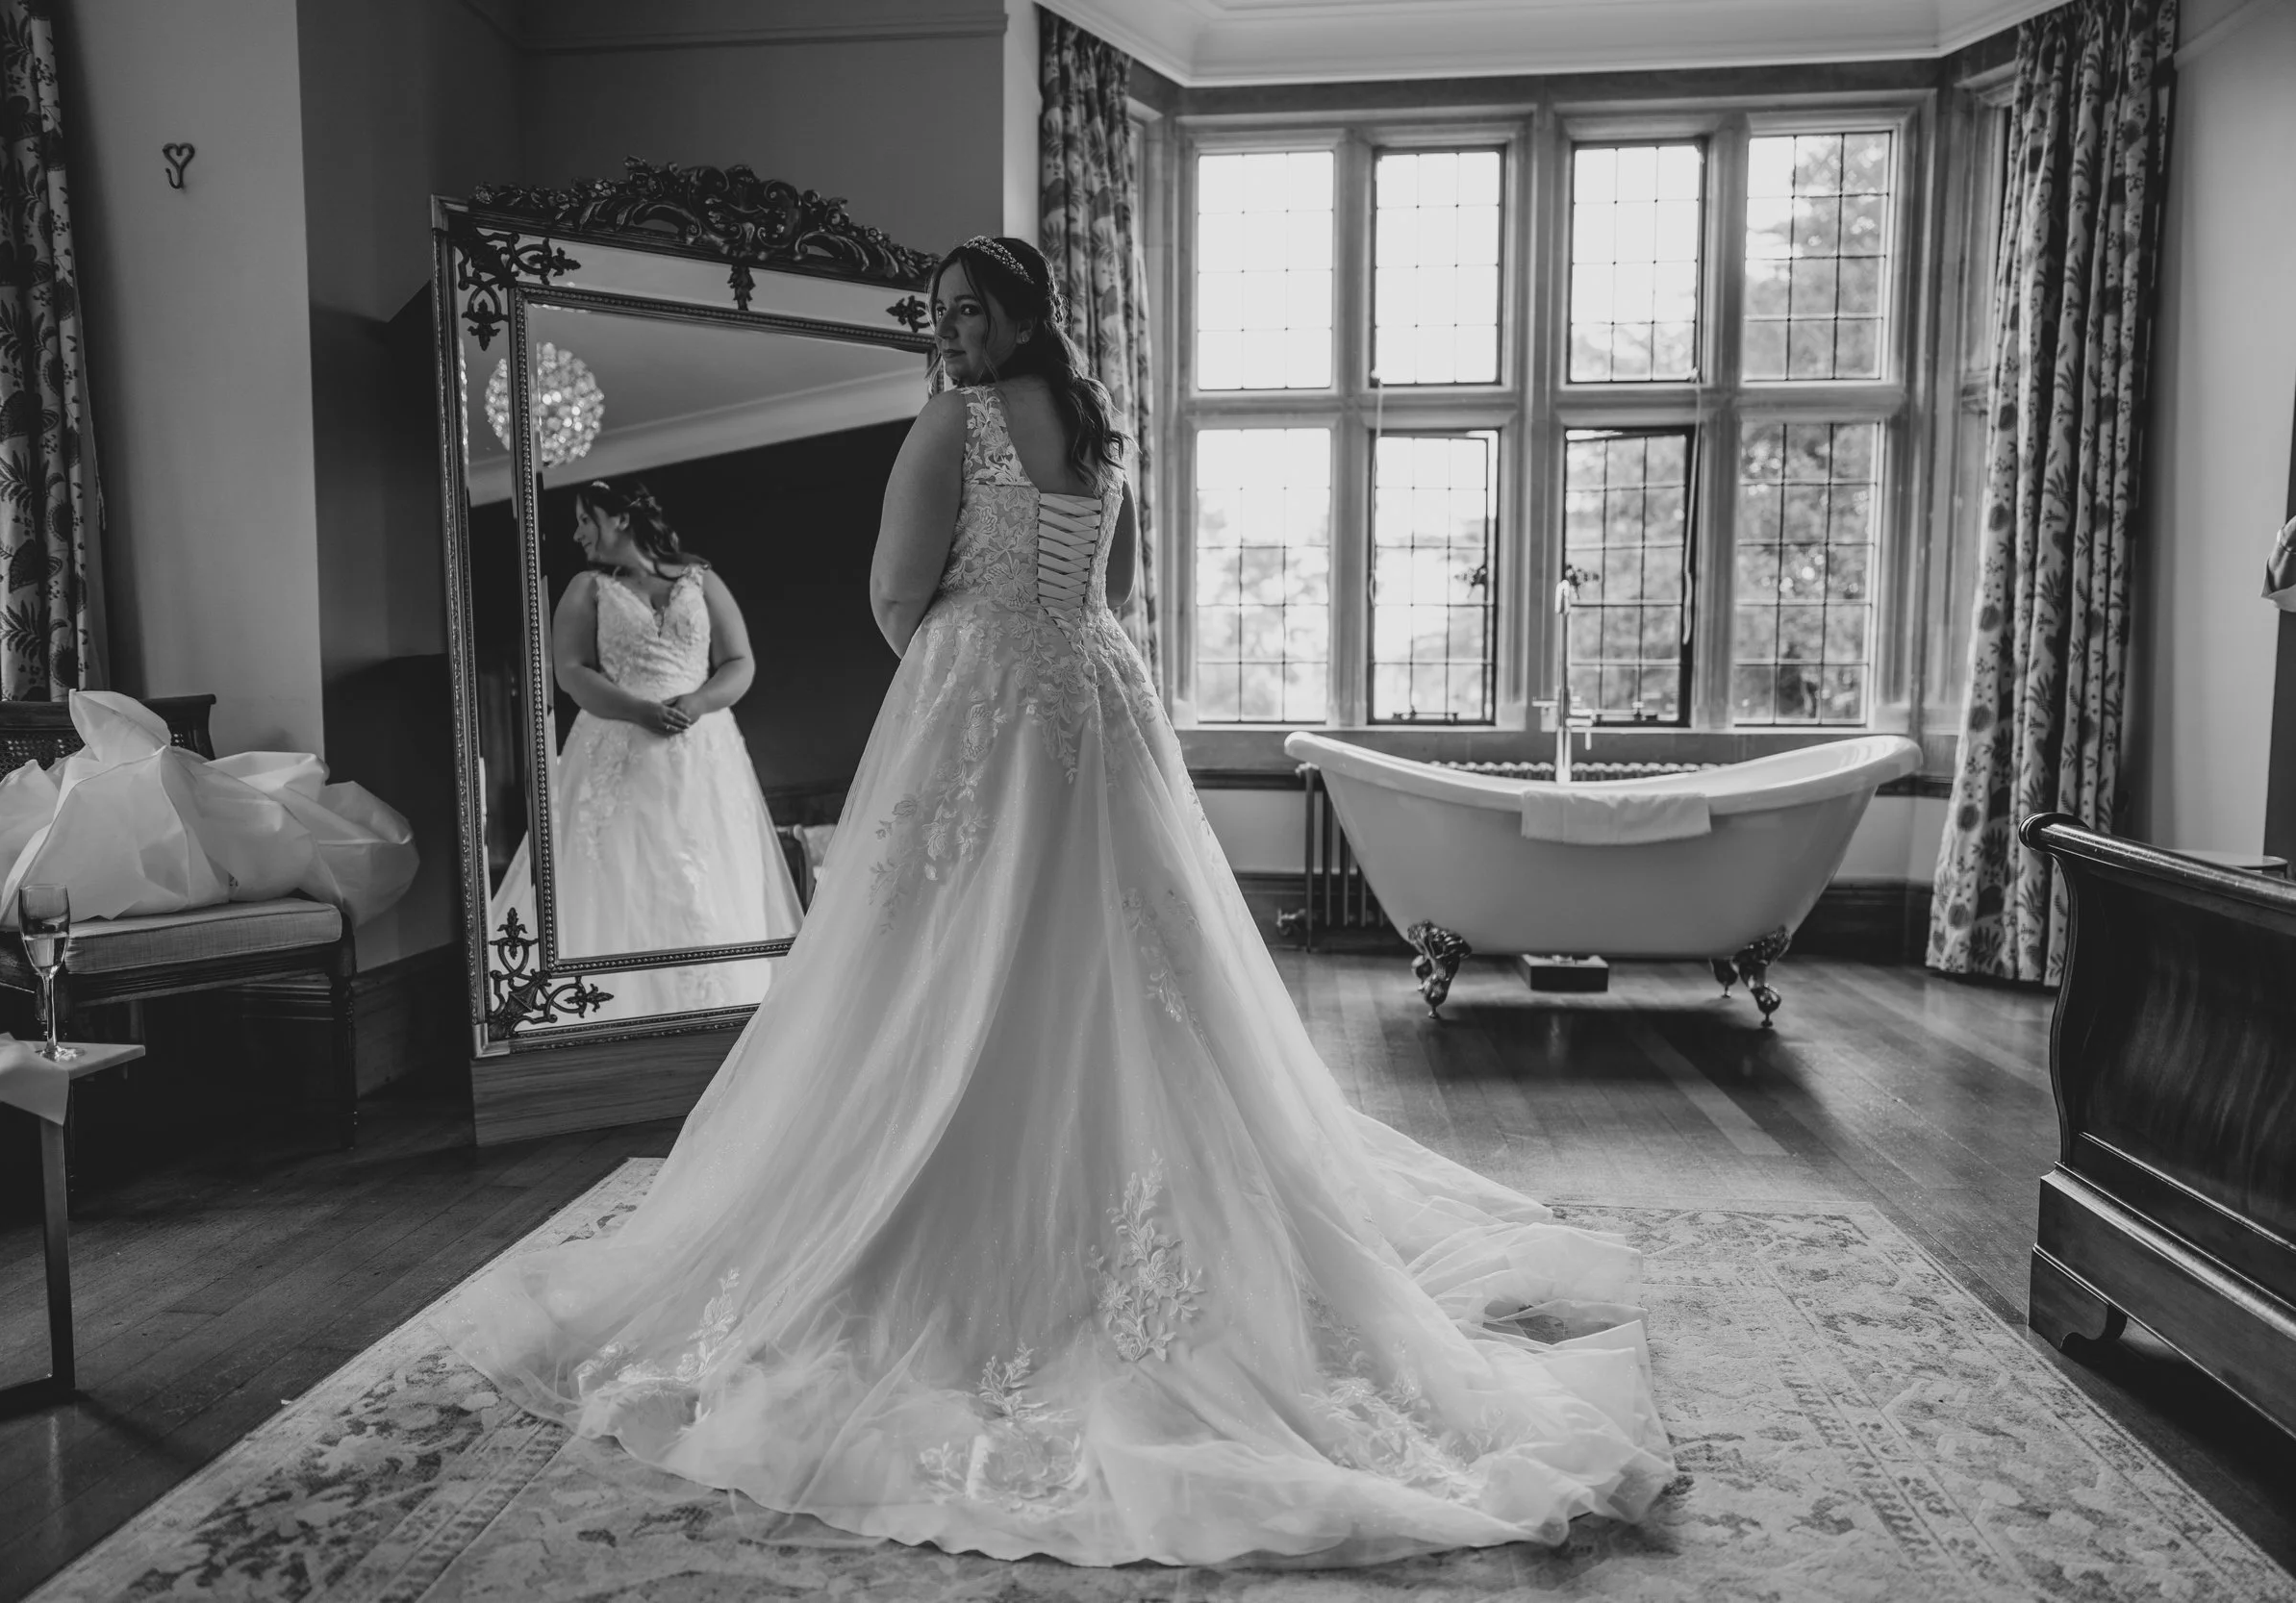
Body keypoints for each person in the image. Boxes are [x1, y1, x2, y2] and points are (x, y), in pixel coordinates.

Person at [442, 238, 1673, 1566]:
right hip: (1098, 690)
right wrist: (1046, 650)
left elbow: (893, 592)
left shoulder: (955, 421)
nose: (951, 334)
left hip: (988, 689)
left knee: (955, 944)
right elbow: (1120, 591)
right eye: (943, 316)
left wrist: (964, 685)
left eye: (970, 314)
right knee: (1124, 944)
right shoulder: (1100, 430)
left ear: (1019, 316)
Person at [486, 477, 799, 1016]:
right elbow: (570, 671)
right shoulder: (587, 588)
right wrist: (637, 709)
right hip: (618, 744)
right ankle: (627, 1014)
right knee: (627, 874)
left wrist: (698, 704)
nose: (577, 532)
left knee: (711, 870)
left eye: (586, 519)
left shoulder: (700, 579)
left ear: (620, 518)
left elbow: (739, 661)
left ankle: (728, 1005)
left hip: (703, 750)